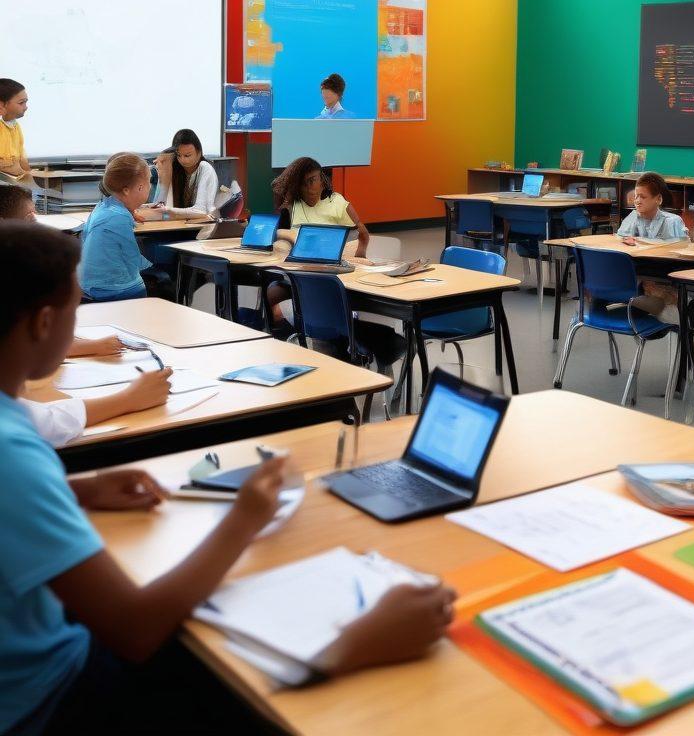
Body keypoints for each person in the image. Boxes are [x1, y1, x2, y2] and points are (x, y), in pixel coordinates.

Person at [0, 221, 457, 736]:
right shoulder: (14, 455)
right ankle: (338, 650)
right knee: (225, 675)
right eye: (75, 307)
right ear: (43, 324)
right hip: (51, 700)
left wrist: (75, 489)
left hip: (35, 665)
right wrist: (244, 521)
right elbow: (135, 630)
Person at [0, 185, 172, 445]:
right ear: (43, 323)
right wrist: (128, 399)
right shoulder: (17, 446)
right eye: (73, 312)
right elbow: (43, 423)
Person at [79, 153, 154, 302]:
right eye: (148, 183)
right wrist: (152, 265)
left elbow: (84, 237)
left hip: (87, 285)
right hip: (114, 290)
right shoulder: (120, 217)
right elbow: (131, 256)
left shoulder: (102, 207)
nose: (150, 187)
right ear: (129, 190)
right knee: (150, 279)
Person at [616, 172, 688, 322]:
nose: (637, 201)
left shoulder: (672, 222)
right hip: (639, 273)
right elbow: (619, 240)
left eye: (643, 197)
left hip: (663, 275)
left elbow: (682, 252)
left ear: (658, 199)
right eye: (636, 196)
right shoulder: (632, 217)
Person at [272, 156, 370, 255]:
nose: (308, 187)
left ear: (322, 180)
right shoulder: (290, 206)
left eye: (312, 180)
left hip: (332, 257)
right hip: (300, 258)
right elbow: (279, 236)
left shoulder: (338, 202)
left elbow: (363, 233)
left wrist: (361, 254)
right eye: (303, 183)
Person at [149, 129, 218, 217]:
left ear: (199, 152)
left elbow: (201, 211)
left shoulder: (205, 167)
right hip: (183, 222)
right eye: (178, 155)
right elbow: (162, 203)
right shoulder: (175, 169)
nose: (183, 160)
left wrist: (167, 209)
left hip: (205, 222)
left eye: (187, 155)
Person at [0, 78, 30, 180]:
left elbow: (22, 160)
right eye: (21, 103)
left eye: (25, 102)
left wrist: (29, 174)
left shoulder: (16, 126)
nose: (25, 107)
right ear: (2, 105)